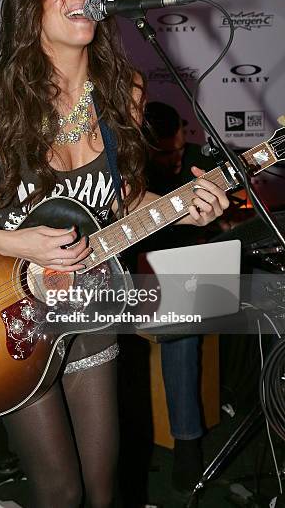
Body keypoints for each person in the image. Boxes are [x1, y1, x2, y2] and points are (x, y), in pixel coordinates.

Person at [0, 0, 229, 508]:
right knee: (59, 490)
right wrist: (12, 242)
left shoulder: (124, 89)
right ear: (30, 9)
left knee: (103, 490)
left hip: (91, 306)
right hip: (11, 314)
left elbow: (122, 198)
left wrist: (185, 203)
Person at [144, 101, 218, 494]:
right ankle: (185, 445)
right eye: (161, 154)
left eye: (174, 149)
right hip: (140, 275)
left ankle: (188, 444)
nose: (173, 159)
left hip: (193, 270)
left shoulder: (197, 160)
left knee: (184, 318)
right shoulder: (130, 168)